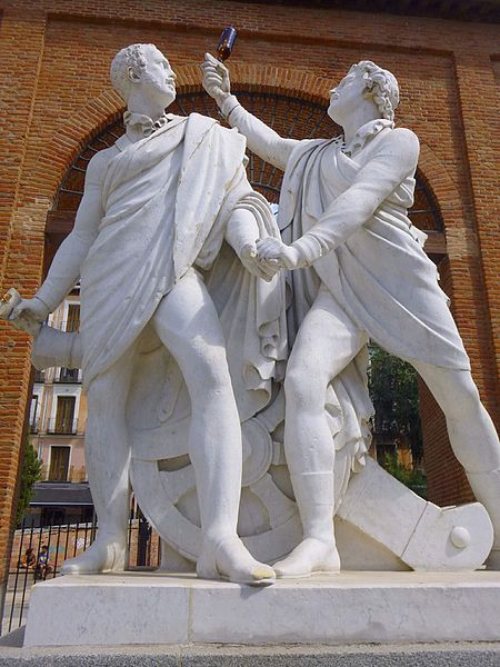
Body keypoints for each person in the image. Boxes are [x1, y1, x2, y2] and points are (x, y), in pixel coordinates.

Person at [201, 54, 500, 576]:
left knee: (460, 397)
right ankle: (321, 541)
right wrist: (227, 101)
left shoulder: (398, 142)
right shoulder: (319, 154)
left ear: (371, 91)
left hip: (399, 283)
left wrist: (297, 252)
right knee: (303, 381)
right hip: (342, 291)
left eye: (342, 83)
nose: (331, 90)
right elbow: (272, 146)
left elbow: (356, 204)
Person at [12, 43, 287, 584]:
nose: (172, 72)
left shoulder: (201, 136)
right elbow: (83, 234)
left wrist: (251, 245)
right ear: (136, 75)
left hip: (174, 271)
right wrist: (44, 300)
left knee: (212, 378)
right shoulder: (106, 161)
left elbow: (234, 200)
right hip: (112, 275)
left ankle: (220, 538)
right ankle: (110, 541)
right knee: (106, 398)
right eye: (161, 64)